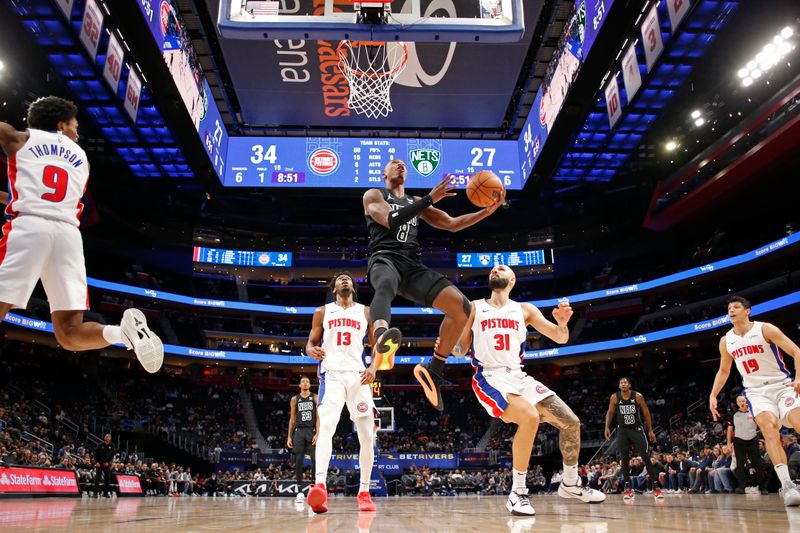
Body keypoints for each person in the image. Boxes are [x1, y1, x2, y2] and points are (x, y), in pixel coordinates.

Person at [0, 96, 163, 372]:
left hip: (29, 229)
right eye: (75, 125)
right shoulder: (81, 158)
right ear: (61, 125)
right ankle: (121, 334)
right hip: (68, 237)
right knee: (69, 332)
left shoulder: (20, 139)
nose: (78, 132)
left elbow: (31, 194)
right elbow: (47, 194)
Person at [448, 265, 605, 515]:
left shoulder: (525, 310)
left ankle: (570, 483)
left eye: (501, 268)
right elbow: (461, 348)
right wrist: (448, 344)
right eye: (492, 270)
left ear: (512, 279)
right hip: (490, 376)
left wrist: (562, 323)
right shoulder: (475, 307)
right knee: (530, 418)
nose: (495, 270)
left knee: (571, 422)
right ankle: (517, 492)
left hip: (519, 376)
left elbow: (560, 337)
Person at [363, 161, 504, 410]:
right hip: (385, 258)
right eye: (393, 164)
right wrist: (428, 199)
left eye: (403, 164)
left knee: (463, 308)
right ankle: (383, 338)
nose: (399, 165)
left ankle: (435, 370)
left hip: (412, 265)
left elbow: (451, 224)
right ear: (384, 174)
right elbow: (390, 220)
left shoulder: (415, 201)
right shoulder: (374, 195)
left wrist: (486, 212)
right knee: (385, 286)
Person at [709, 295, 800, 505]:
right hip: (756, 392)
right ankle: (787, 486)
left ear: (747, 310)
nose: (731, 310)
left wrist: (798, 378)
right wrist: (713, 394)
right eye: (729, 308)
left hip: (782, 386)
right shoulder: (726, 340)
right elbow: (724, 371)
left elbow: (796, 351)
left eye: (736, 307)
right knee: (769, 429)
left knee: (797, 422)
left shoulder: (765, 329)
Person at [305, 272, 379, 513]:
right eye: (340, 279)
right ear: (334, 287)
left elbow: (376, 345)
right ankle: (320, 487)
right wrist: (310, 350)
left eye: (348, 278)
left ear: (353, 288)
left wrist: (374, 367)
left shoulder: (365, 311)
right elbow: (310, 343)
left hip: (358, 376)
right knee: (326, 427)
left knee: (367, 436)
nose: (345, 280)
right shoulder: (322, 311)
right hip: (332, 374)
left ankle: (364, 492)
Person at [604, 377, 664, 500]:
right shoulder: (614, 397)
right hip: (622, 430)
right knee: (624, 459)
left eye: (625, 382)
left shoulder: (637, 396)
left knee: (646, 457)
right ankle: (627, 489)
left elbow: (646, 412)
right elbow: (610, 412)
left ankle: (656, 488)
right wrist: (607, 427)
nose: (623, 384)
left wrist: (650, 430)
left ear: (629, 385)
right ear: (619, 386)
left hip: (636, 429)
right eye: (621, 383)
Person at [727, 395, 769, 494]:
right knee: (740, 465)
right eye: (739, 401)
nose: (742, 403)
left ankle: (762, 487)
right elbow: (729, 429)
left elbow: (761, 426)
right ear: (737, 403)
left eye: (743, 401)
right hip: (739, 442)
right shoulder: (733, 414)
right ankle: (742, 487)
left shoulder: (753, 412)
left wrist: (766, 438)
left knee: (757, 464)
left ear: (746, 401)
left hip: (753, 441)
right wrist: (728, 443)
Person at [287, 376, 318, 503]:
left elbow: (318, 417)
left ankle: (313, 487)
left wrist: (318, 433)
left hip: (311, 431)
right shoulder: (295, 399)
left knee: (314, 461)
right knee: (299, 461)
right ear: (299, 385)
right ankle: (299, 491)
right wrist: (289, 436)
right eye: (303, 382)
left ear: (310, 385)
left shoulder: (315, 397)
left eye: (307, 382)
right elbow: (292, 419)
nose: (305, 383)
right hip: (299, 432)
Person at [94, 433, 115, 498]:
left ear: (110, 439)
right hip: (99, 464)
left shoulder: (112, 445)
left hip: (107, 464)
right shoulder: (100, 445)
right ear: (104, 438)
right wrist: (96, 462)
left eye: (109, 437)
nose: (107, 438)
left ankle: (105, 493)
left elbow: (112, 455)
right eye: (106, 437)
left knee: (107, 479)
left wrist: (108, 462)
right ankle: (95, 494)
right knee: (98, 479)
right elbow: (95, 454)